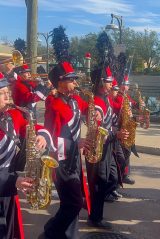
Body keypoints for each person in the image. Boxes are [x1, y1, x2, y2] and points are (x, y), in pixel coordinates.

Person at [0, 72, 56, 239]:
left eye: (7, 92)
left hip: (8, 190)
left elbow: (32, 126)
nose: (8, 98)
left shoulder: (11, 115)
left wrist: (43, 136)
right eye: (2, 94)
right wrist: (13, 180)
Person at [41, 61, 91, 239]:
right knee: (74, 202)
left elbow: (86, 109)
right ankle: (51, 231)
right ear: (60, 82)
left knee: (72, 201)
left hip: (74, 158)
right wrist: (74, 144)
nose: (76, 83)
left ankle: (68, 234)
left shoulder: (75, 99)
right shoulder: (54, 106)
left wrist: (96, 113)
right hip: (61, 161)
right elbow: (51, 137)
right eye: (72, 80)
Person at [86, 66, 128, 227]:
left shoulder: (105, 98)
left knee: (111, 178)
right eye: (109, 82)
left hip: (107, 146)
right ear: (101, 83)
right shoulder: (97, 103)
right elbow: (98, 133)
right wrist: (115, 134)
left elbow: (109, 123)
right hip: (98, 148)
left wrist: (118, 129)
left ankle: (96, 209)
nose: (112, 85)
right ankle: (95, 218)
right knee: (98, 183)